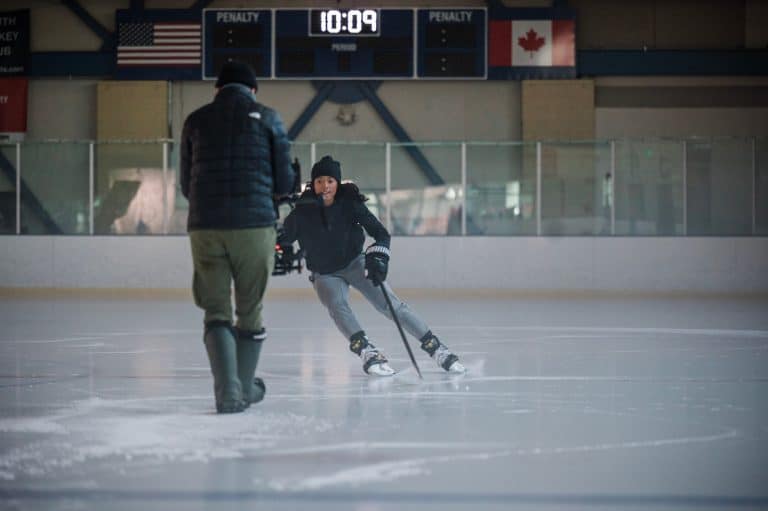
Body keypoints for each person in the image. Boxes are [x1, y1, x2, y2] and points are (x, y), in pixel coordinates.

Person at [279, 155, 465, 376]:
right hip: (324, 273)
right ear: (313, 184)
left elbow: (381, 234)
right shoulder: (302, 211)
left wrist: (378, 257)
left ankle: (436, 347)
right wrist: (280, 250)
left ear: (338, 183)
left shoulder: (350, 204)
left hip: (355, 263)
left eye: (330, 180)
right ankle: (367, 351)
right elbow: (282, 239)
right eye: (319, 181)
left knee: (391, 305)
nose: (325, 186)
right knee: (337, 305)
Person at [180, 61, 295, 413]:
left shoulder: (195, 120)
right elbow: (284, 184)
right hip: (254, 226)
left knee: (216, 310)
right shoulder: (269, 118)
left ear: (217, 89)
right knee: (249, 310)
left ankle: (228, 392)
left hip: (205, 226)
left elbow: (186, 185)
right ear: (253, 90)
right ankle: (244, 388)